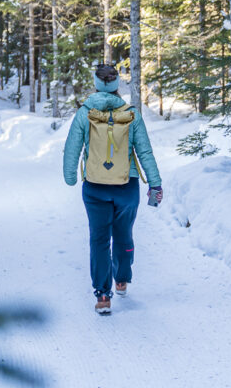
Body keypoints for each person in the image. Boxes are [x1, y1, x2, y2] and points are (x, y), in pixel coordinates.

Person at [62, 63, 162, 316]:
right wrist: (155, 183)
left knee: (98, 239)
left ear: (96, 84)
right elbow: (145, 151)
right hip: (126, 187)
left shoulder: (85, 113)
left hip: (94, 187)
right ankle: (121, 279)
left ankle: (103, 295)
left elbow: (72, 148)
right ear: (117, 85)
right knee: (123, 234)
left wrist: (71, 177)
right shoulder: (131, 114)